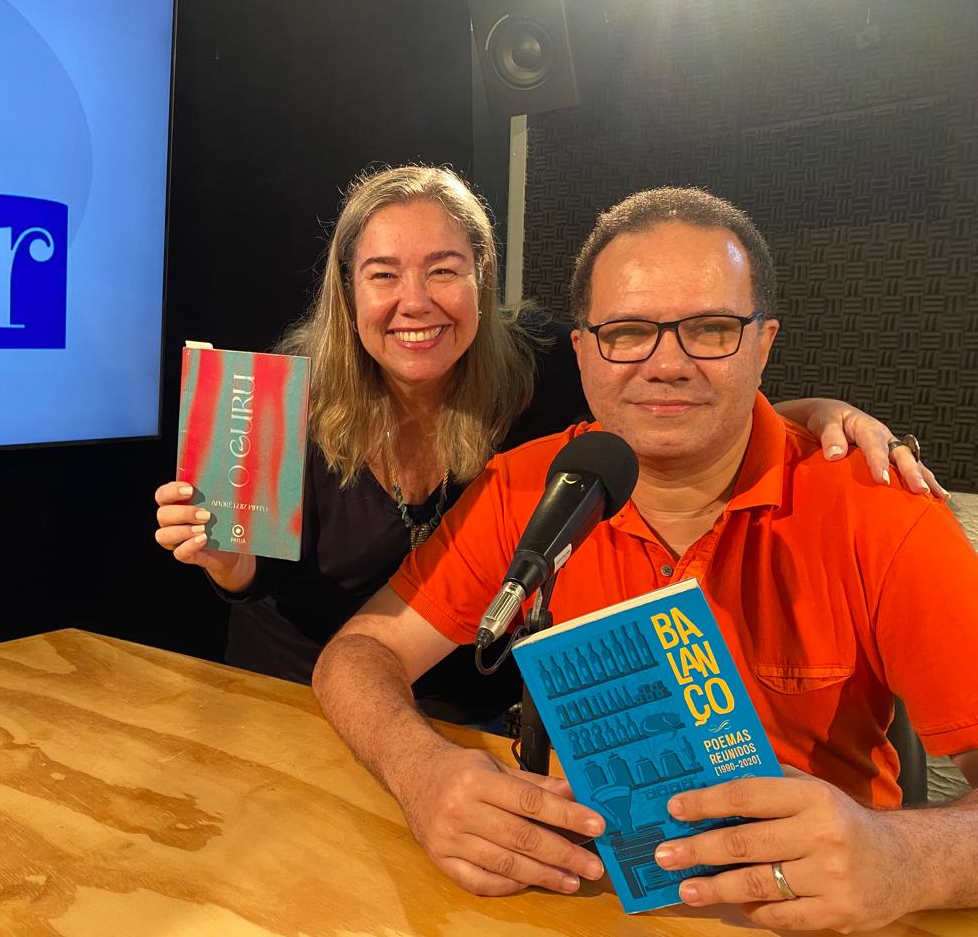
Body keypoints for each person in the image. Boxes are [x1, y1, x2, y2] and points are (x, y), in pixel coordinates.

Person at [310, 187, 978, 933]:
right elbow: (358, 655)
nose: (667, 365)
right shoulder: (527, 488)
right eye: (628, 332)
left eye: (711, 329)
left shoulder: (881, 511)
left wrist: (905, 858)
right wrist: (421, 772)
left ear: (764, 343)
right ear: (582, 352)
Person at [155, 165, 940, 726]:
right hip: (293, 693)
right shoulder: (280, 402)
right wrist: (225, 562)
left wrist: (824, 415)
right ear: (348, 292)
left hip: (470, 710)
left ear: (483, 278)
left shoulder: (546, 370)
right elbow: (262, 584)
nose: (414, 301)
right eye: (384, 275)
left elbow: (678, 400)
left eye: (443, 270)